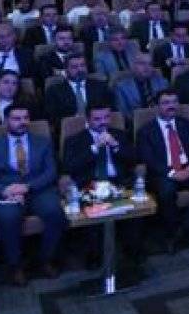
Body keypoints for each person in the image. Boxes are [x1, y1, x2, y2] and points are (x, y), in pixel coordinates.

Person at [0, 105, 67, 283]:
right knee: (8, 217)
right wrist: (5, 190)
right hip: (6, 192)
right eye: (16, 119)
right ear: (6, 121)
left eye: (25, 118)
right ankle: (15, 265)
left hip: (37, 189)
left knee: (55, 212)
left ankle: (46, 259)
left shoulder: (43, 141)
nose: (22, 122)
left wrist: (27, 187)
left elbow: (51, 172)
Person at [61, 104, 143, 268]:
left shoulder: (119, 135)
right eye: (97, 119)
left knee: (134, 214)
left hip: (118, 184)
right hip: (89, 186)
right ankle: (95, 256)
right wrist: (94, 148)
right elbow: (70, 167)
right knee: (94, 219)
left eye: (106, 118)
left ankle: (132, 254)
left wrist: (115, 146)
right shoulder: (75, 140)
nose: (103, 122)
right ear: (88, 120)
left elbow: (135, 158)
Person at [135, 91, 189, 249]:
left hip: (188, 168)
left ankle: (184, 230)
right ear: (156, 106)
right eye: (165, 103)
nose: (171, 106)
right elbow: (149, 159)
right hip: (163, 173)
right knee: (166, 191)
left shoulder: (186, 124)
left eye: (174, 102)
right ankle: (173, 230)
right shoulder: (146, 131)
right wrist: (172, 173)